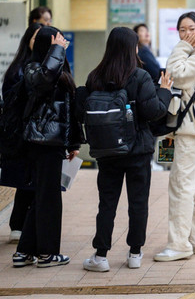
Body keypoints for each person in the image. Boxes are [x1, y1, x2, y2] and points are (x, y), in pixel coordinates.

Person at [77, 27, 172, 272]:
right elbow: (154, 111)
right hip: (138, 150)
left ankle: (100, 256)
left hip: (107, 151)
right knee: (138, 203)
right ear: (134, 48)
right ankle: (135, 254)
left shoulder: (95, 76)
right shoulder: (139, 76)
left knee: (106, 203)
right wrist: (164, 91)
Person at [12, 26, 82, 268]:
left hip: (53, 143)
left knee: (44, 196)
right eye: (56, 40)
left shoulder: (58, 69)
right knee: (49, 198)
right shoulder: (32, 69)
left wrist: (73, 141)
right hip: (40, 142)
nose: (62, 44)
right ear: (47, 45)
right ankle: (47, 254)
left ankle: (24, 252)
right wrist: (56, 51)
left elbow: (69, 109)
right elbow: (43, 80)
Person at [154, 11, 195, 262]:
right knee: (194, 186)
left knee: (180, 186)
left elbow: (175, 74)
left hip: (190, 130)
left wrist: (180, 47)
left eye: (191, 29)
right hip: (190, 129)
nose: (186, 34)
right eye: (181, 30)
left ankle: (179, 244)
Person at [1, 22, 42, 243]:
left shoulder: (44, 66)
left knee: (31, 180)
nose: (38, 42)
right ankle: (19, 224)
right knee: (28, 179)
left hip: (33, 133)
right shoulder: (19, 70)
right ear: (27, 40)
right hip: (22, 134)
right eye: (35, 38)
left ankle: (19, 224)